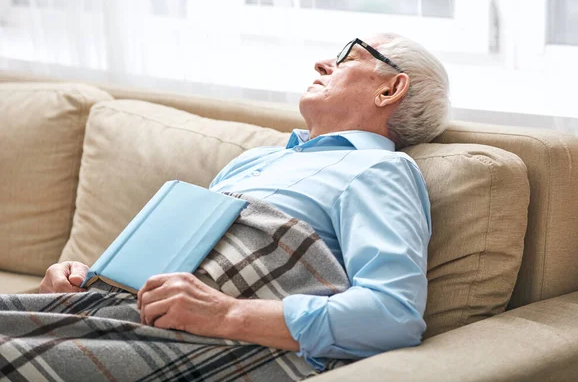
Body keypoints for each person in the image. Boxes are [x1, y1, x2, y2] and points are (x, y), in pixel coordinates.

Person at [40, 32, 450, 370]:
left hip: (208, 343)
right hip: (121, 313)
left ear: (390, 89)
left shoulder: (380, 169)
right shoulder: (255, 160)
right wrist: (78, 282)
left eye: (347, 56)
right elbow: (172, 268)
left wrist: (225, 314)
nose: (323, 63)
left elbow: (393, 314)